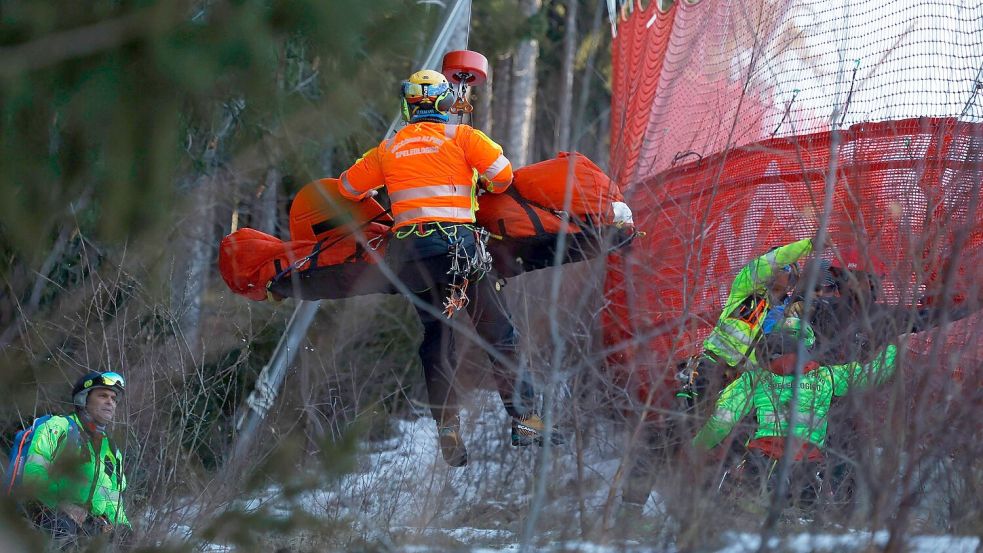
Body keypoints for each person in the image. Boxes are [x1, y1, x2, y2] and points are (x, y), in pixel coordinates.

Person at [337, 69, 545, 467]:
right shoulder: (463, 137)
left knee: (437, 340)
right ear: (445, 104)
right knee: (498, 335)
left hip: (412, 257)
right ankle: (527, 425)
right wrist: (472, 182)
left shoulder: (389, 147)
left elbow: (348, 188)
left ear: (409, 106)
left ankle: (448, 432)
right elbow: (503, 178)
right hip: (459, 249)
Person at [692, 319, 898, 508]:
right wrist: (894, 348)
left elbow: (721, 422)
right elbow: (872, 375)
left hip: (762, 462)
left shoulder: (754, 379)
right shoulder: (827, 377)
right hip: (807, 467)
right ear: (809, 347)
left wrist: (693, 450)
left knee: (751, 521)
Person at [678, 237, 818, 404]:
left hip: (743, 383)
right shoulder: (744, 287)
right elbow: (769, 262)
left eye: (785, 267)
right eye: (773, 263)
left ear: (792, 282)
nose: (775, 269)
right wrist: (809, 245)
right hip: (712, 366)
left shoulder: (788, 312)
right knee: (686, 416)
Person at [21, 371, 130, 549]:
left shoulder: (110, 449)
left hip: (89, 523)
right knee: (63, 531)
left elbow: (113, 500)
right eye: (103, 396)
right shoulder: (58, 427)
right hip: (47, 513)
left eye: (113, 398)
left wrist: (123, 527)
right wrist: (63, 504)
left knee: (125, 542)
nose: (110, 402)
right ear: (83, 399)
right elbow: (33, 474)